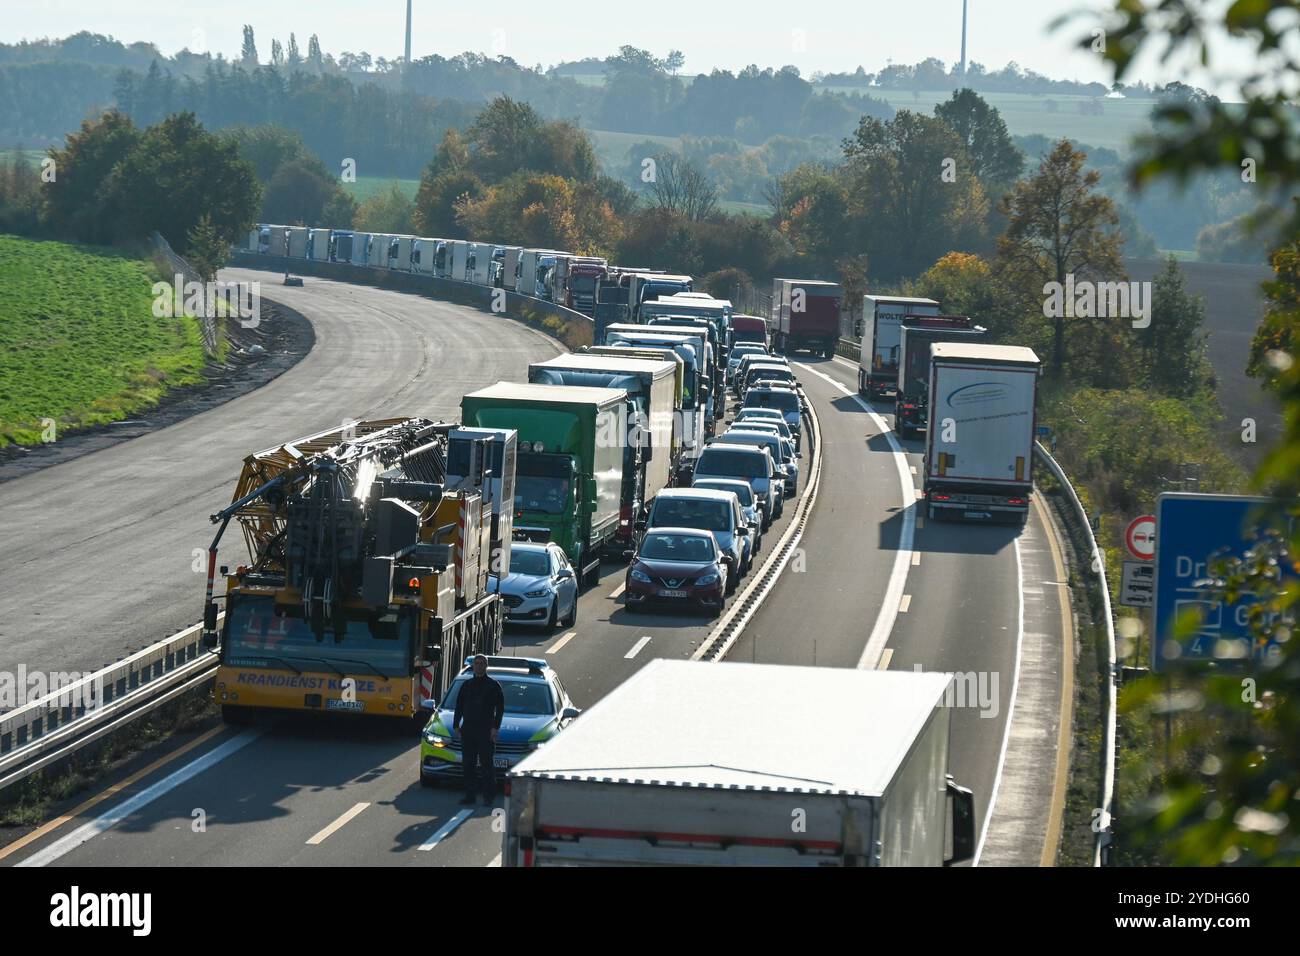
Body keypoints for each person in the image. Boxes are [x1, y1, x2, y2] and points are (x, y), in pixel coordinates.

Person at [453, 655, 504, 806]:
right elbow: (459, 706)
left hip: (485, 731)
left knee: (486, 765)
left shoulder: (493, 686)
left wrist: (495, 728)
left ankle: (488, 797)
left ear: (486, 666)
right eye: (476, 663)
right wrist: (456, 725)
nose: (479, 666)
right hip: (468, 730)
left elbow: (500, 709)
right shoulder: (466, 685)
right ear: (473, 666)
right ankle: (470, 796)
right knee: (468, 764)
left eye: (482, 663)